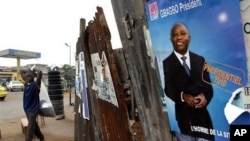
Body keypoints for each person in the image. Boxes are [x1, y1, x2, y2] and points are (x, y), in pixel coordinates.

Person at [163, 22, 214, 141]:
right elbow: (168, 89)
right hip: (184, 122)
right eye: (175, 35)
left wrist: (204, 97)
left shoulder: (200, 60)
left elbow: (208, 87)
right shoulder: (167, 63)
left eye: (182, 34)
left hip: (203, 121)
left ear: (189, 38)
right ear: (171, 39)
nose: (179, 37)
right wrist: (183, 96)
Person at [22, 68, 45, 141]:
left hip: (33, 110)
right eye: (27, 76)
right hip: (26, 109)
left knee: (30, 127)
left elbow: (40, 72)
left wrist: (34, 69)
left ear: (33, 77)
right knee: (34, 125)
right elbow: (21, 71)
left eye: (30, 76)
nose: (28, 78)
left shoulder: (36, 84)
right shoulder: (26, 83)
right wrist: (28, 69)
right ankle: (41, 138)